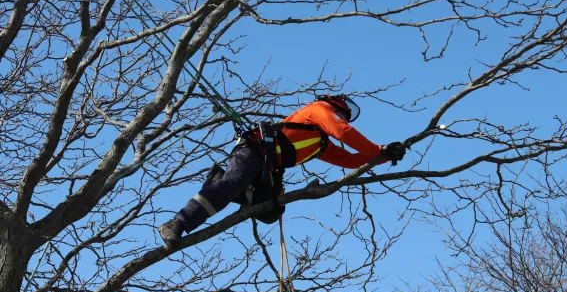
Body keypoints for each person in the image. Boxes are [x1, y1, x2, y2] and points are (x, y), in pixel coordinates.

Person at [157, 95, 406, 247]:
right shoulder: (319, 108)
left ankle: (229, 187)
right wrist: (378, 147)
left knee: (270, 212)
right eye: (342, 113)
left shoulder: (319, 143)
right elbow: (343, 132)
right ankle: (178, 223)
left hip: (269, 168)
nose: (341, 117)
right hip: (255, 150)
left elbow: (349, 161)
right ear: (335, 105)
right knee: (231, 185)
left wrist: (384, 156)